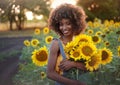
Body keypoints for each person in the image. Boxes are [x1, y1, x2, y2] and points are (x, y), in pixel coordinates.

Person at [47, 3, 87, 85]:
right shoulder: (56, 44)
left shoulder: (80, 42)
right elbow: (50, 73)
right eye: (61, 24)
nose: (64, 28)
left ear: (76, 23)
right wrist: (74, 83)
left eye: (68, 23)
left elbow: (93, 67)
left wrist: (74, 64)